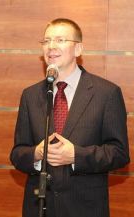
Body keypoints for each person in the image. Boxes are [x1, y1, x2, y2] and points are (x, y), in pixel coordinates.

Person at [10, 18, 130, 217]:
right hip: (39, 208)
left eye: (60, 40)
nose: (51, 46)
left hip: (85, 208)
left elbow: (119, 153)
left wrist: (76, 155)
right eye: (46, 41)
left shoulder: (106, 93)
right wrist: (37, 154)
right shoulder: (30, 95)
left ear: (78, 49)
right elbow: (17, 154)